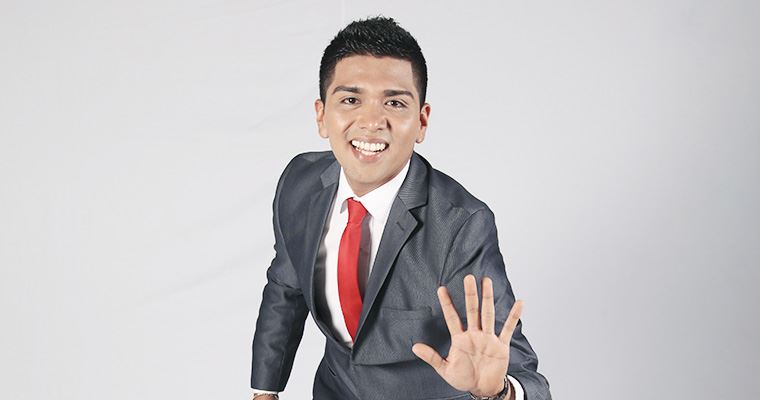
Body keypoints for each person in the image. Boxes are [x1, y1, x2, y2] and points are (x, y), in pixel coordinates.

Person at [250, 16, 551, 400]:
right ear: (321, 116)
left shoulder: (460, 225)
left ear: (421, 122)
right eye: (351, 100)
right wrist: (265, 391)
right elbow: (286, 289)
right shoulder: (299, 183)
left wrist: (497, 390)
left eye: (394, 102)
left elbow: (523, 374)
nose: (371, 122)